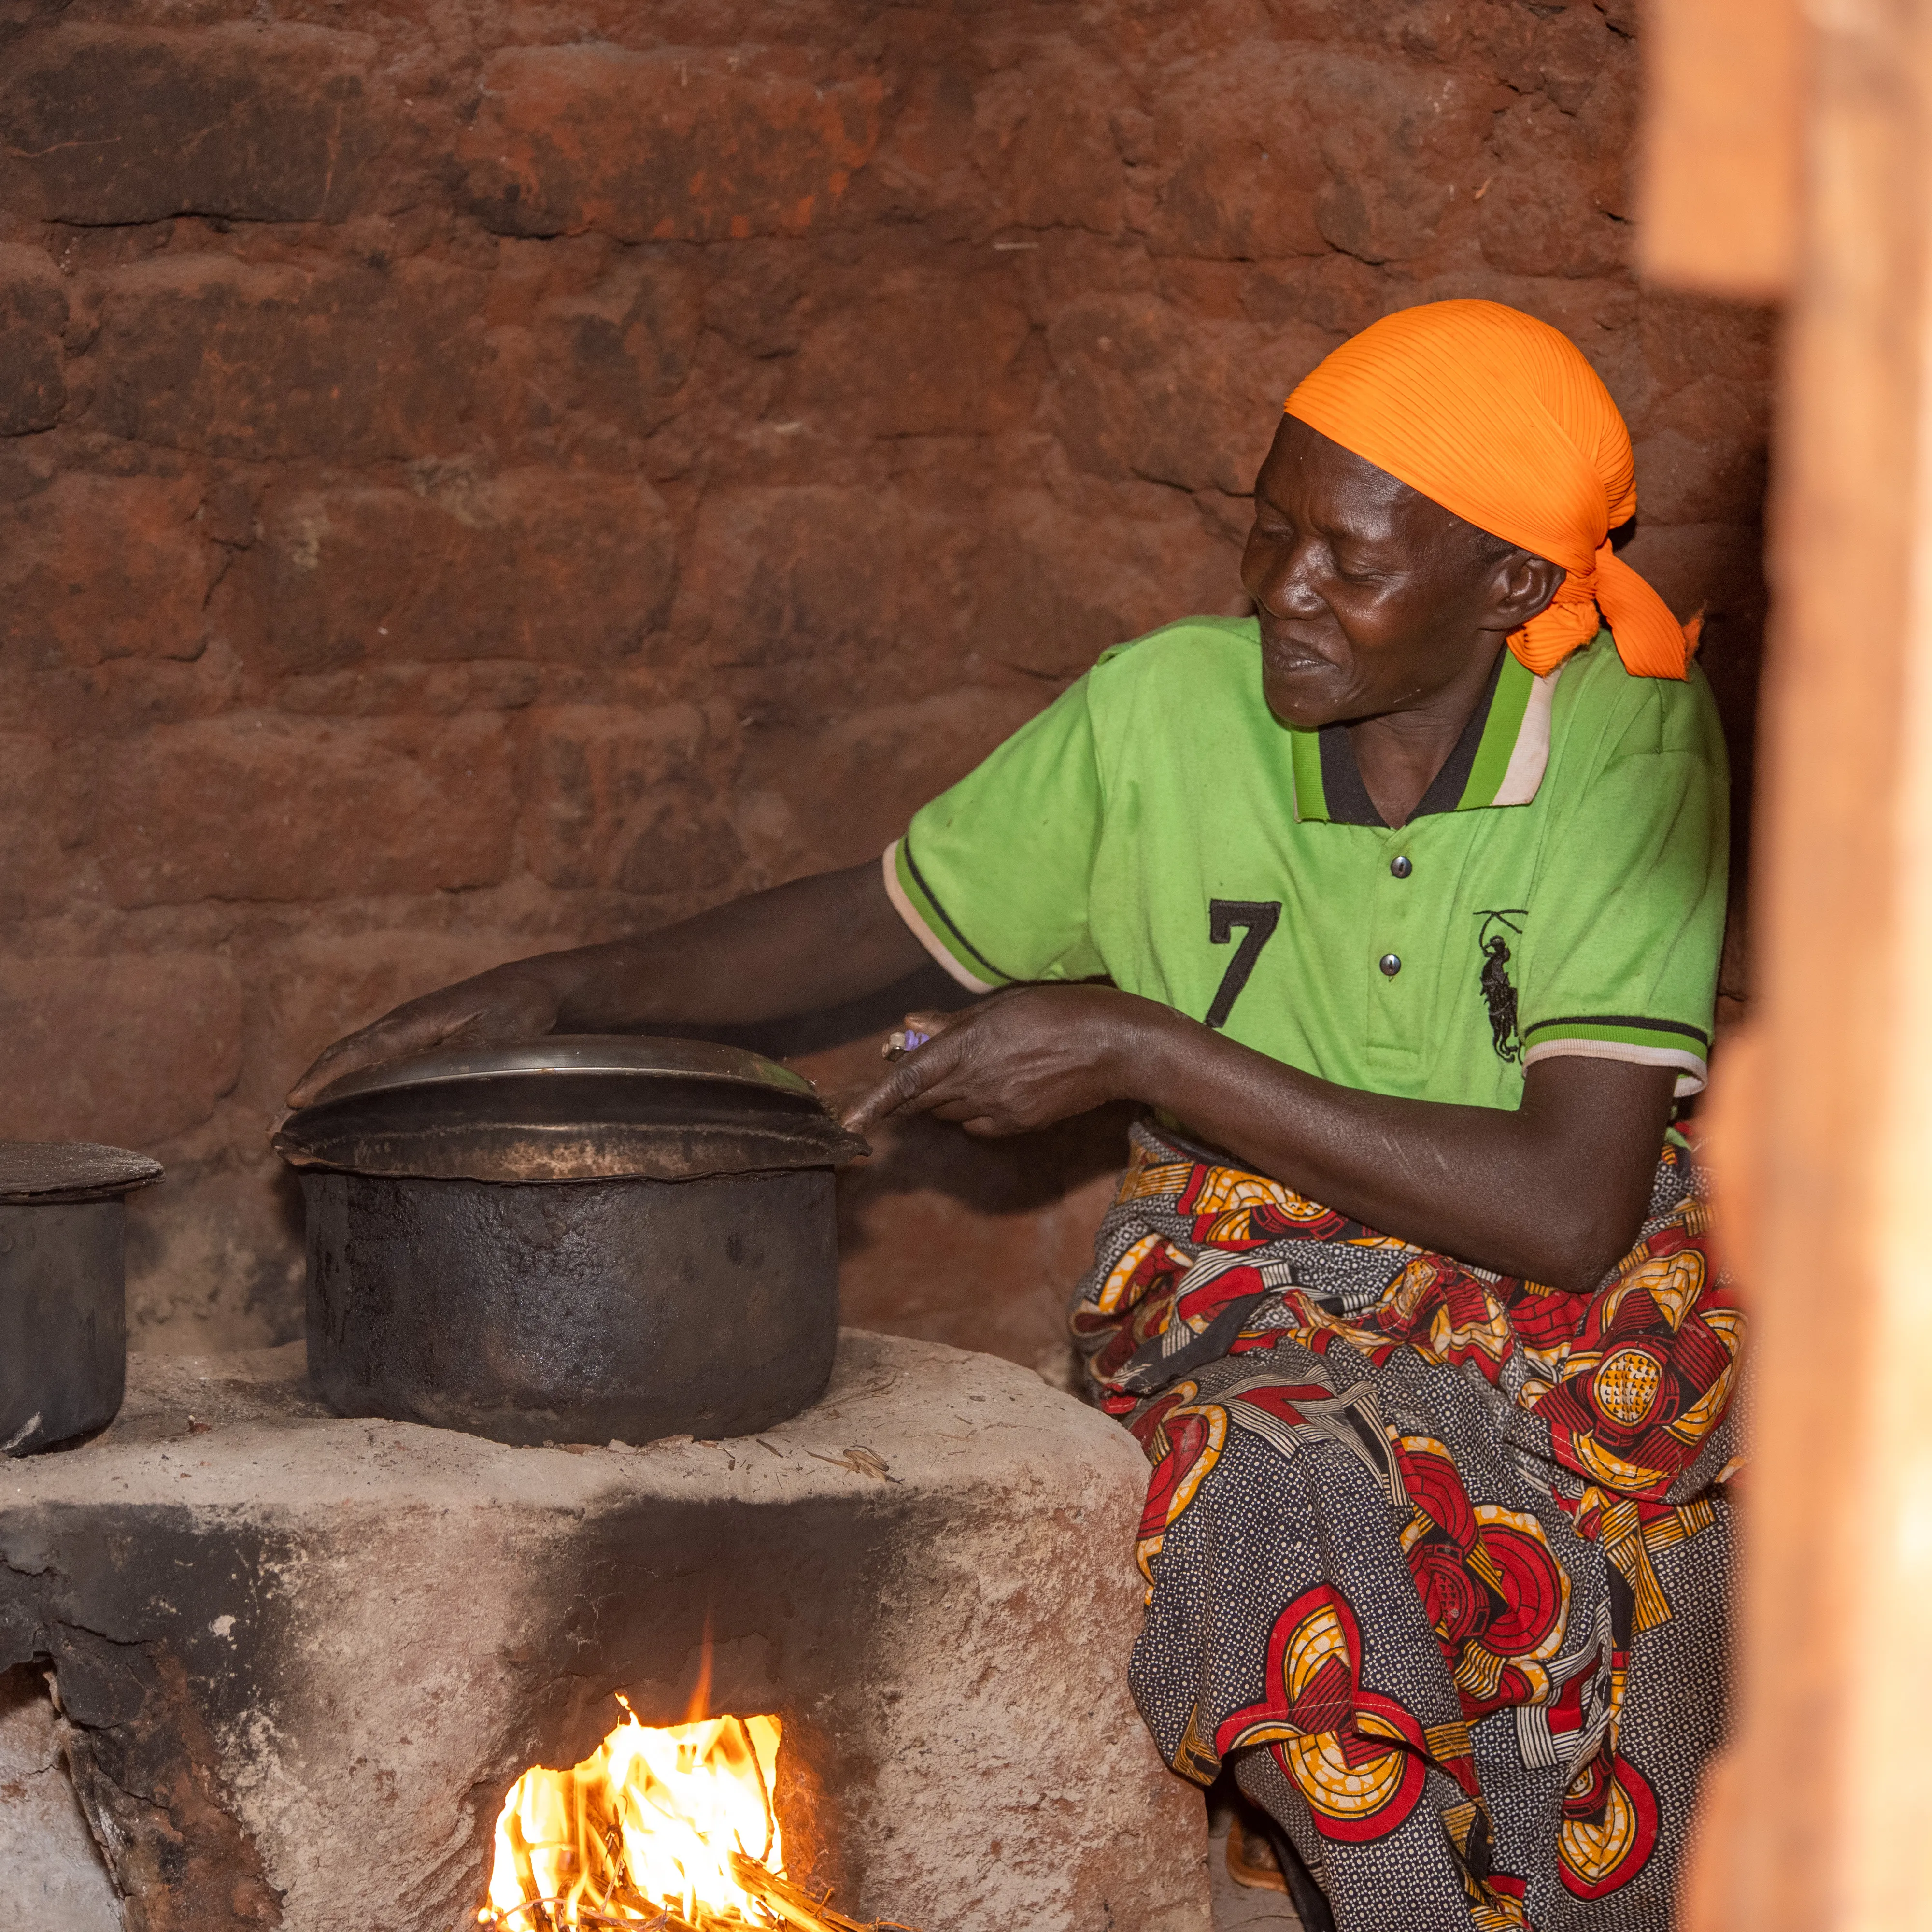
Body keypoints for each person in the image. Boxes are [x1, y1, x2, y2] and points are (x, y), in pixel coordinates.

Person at [291, 300, 1737, 1932]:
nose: (1282, 591)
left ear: (1514, 590)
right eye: (1267, 533)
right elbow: (875, 925)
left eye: (1352, 561)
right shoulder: (1165, 717)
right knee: (1260, 1503)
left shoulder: (1632, 744)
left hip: (1563, 1314)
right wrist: (560, 994)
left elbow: (1570, 1210)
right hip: (1244, 1281)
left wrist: (1147, 1050)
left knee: (1634, 1566)